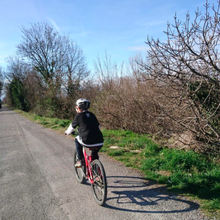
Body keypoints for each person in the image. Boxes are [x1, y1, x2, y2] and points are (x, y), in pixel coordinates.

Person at [65, 98, 103, 167]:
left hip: (87, 140)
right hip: (100, 140)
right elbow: (98, 126)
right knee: (94, 151)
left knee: (77, 139)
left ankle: (80, 160)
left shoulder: (79, 116)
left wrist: (67, 132)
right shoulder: (92, 115)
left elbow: (72, 127)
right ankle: (96, 167)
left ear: (78, 108)